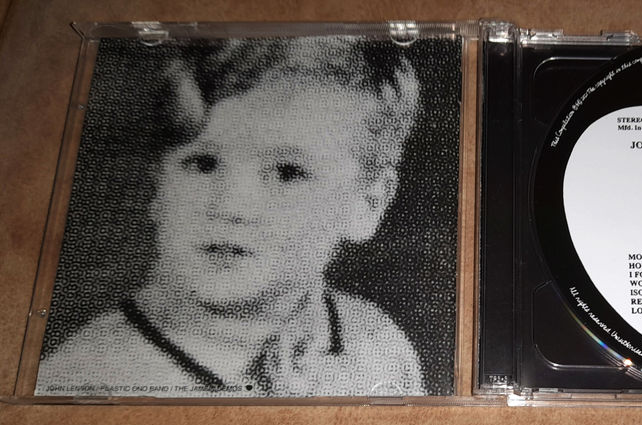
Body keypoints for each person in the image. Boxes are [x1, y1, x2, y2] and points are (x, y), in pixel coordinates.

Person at [35, 37, 426, 397]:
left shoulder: (377, 342)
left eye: (287, 172)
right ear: (157, 185)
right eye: (203, 164)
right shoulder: (87, 376)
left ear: (368, 204)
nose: (229, 207)